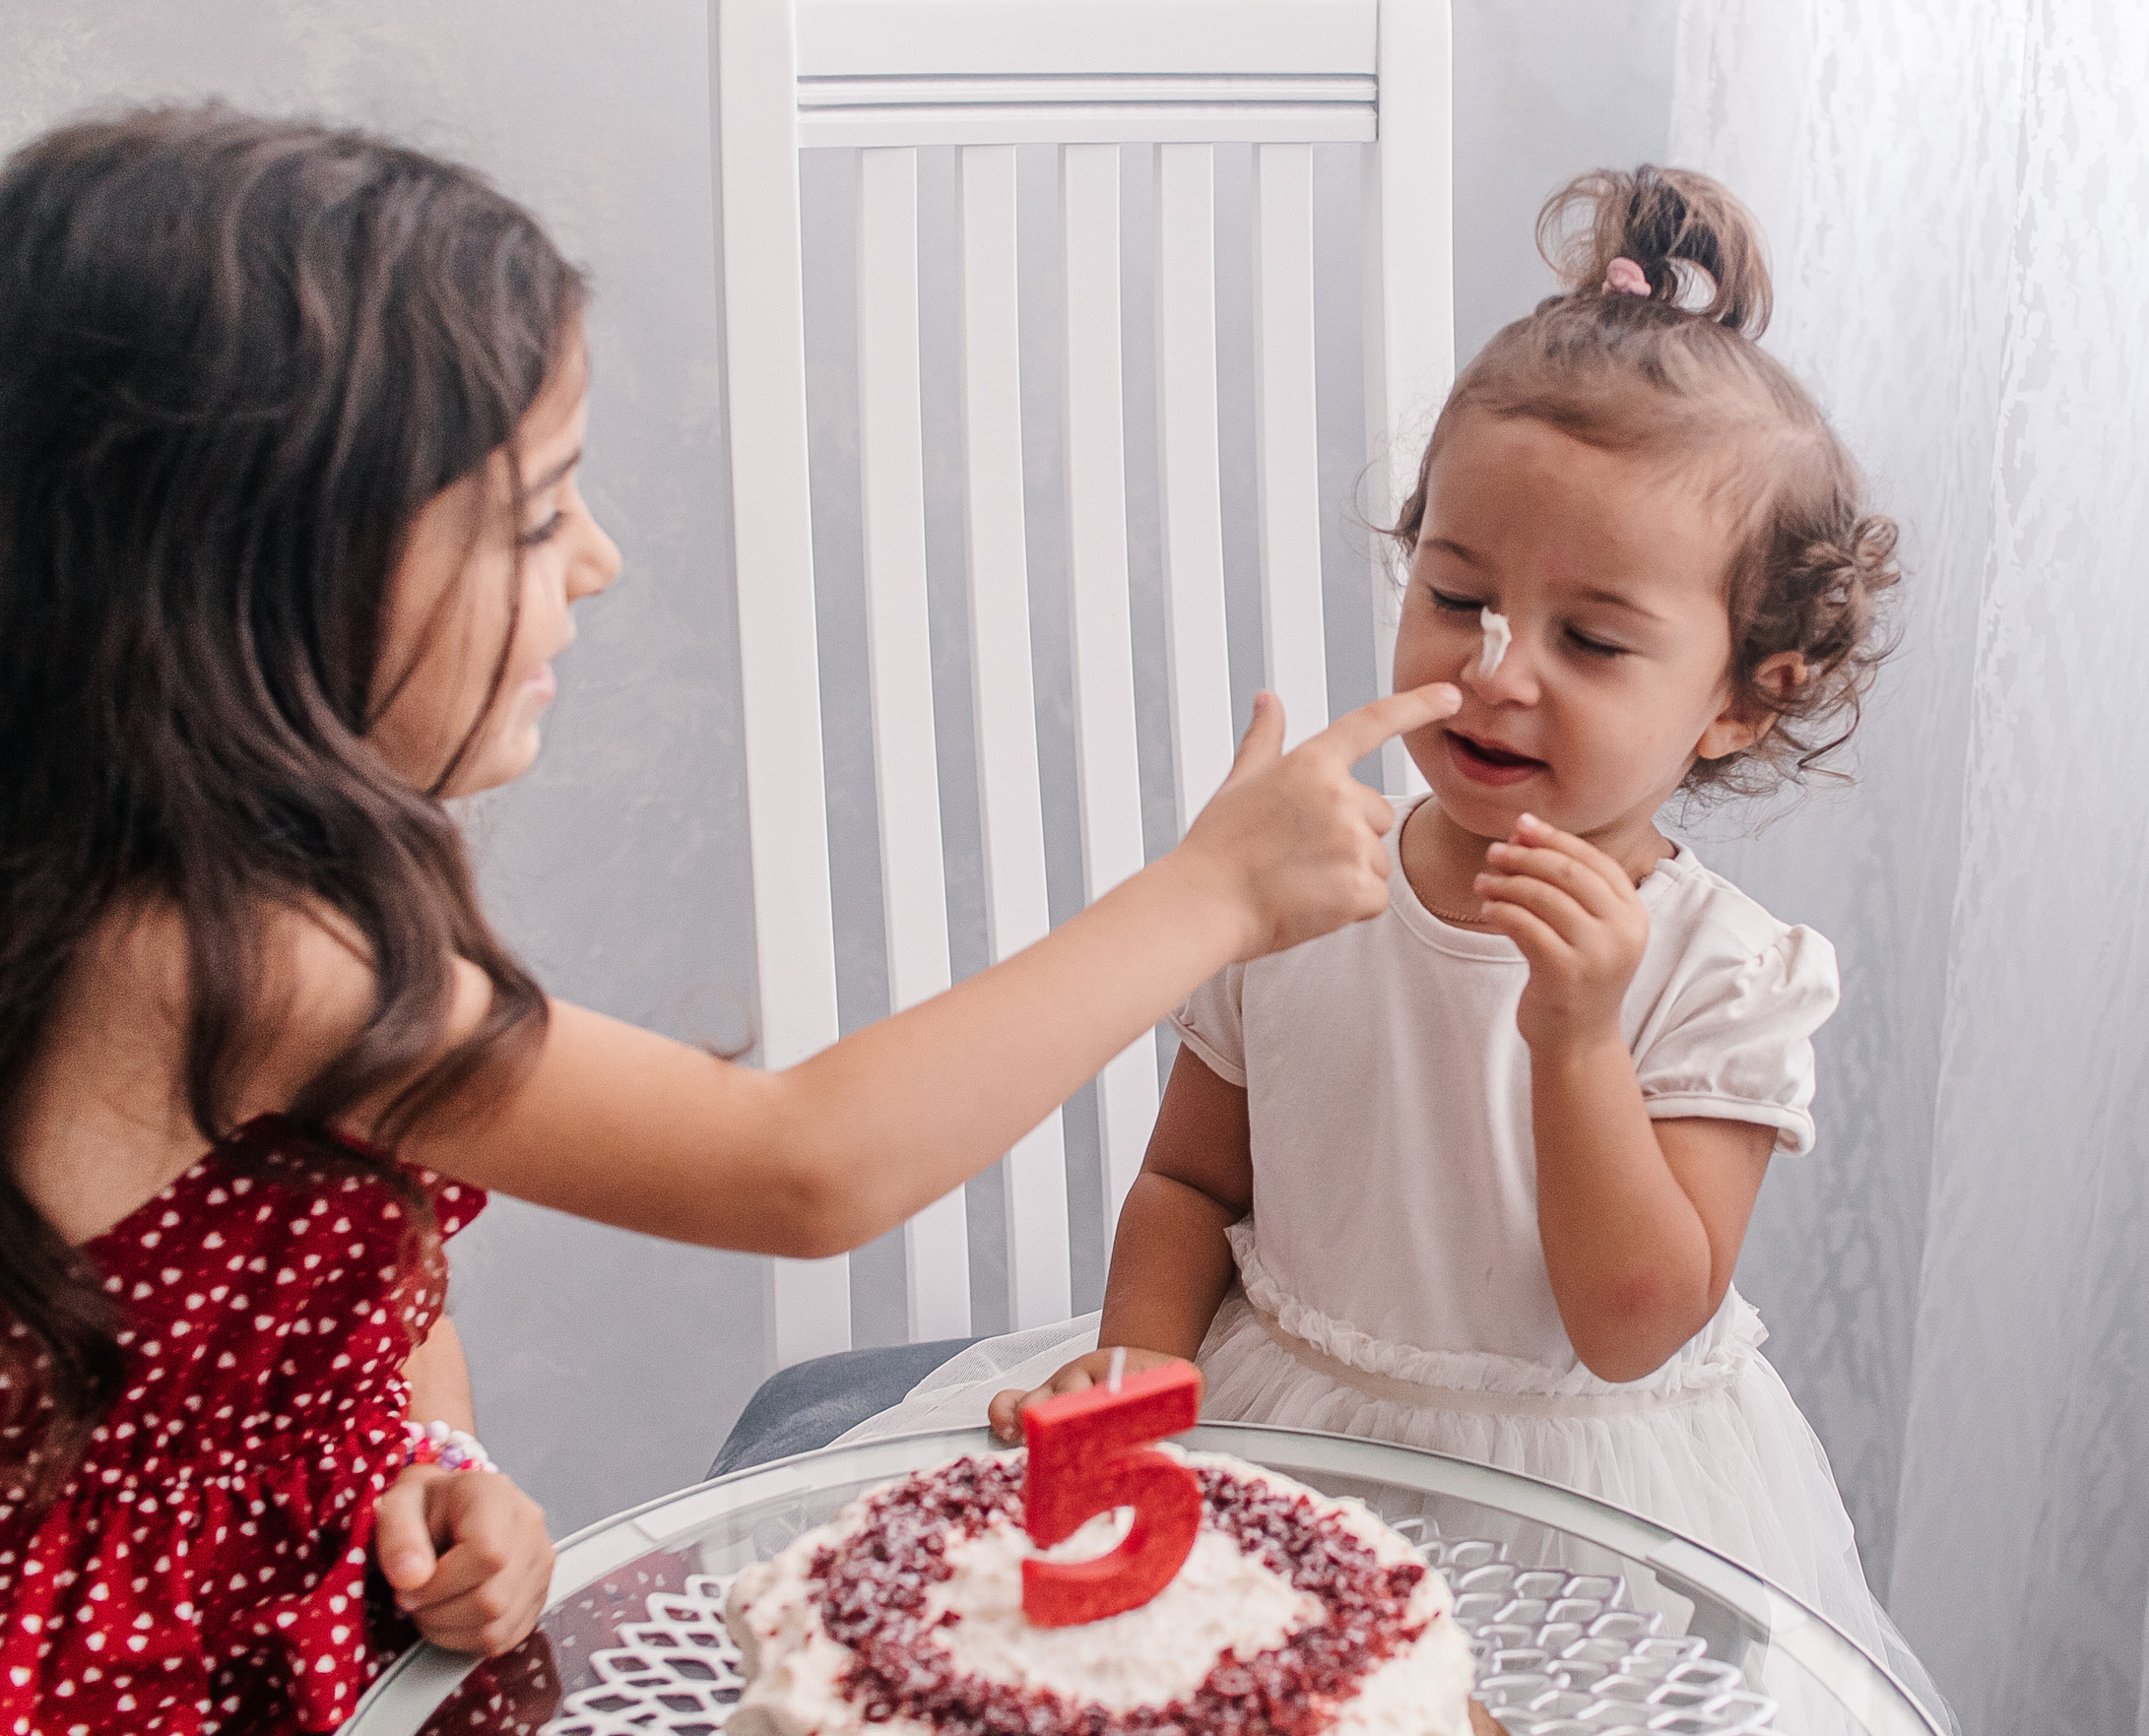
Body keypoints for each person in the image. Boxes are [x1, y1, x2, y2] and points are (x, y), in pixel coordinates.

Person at [0, 105, 1456, 1735]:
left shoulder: (276, 898)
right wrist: (1210, 893)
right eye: (537, 514)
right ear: (269, 562)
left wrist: (433, 1456)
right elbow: (800, 1164)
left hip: (326, 1630)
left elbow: (373, 1303)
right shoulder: (217, 953)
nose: (600, 561)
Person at [851, 165, 1951, 1725]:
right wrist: (1137, 1381)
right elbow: (1190, 1184)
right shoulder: (1302, 880)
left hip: (1583, 1524)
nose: (1498, 671)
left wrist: (1577, 1036)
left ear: (1738, 700)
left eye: (1591, 639)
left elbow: (1634, 1325)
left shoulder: (1724, 971)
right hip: (1282, 1440)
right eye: (1456, 594)